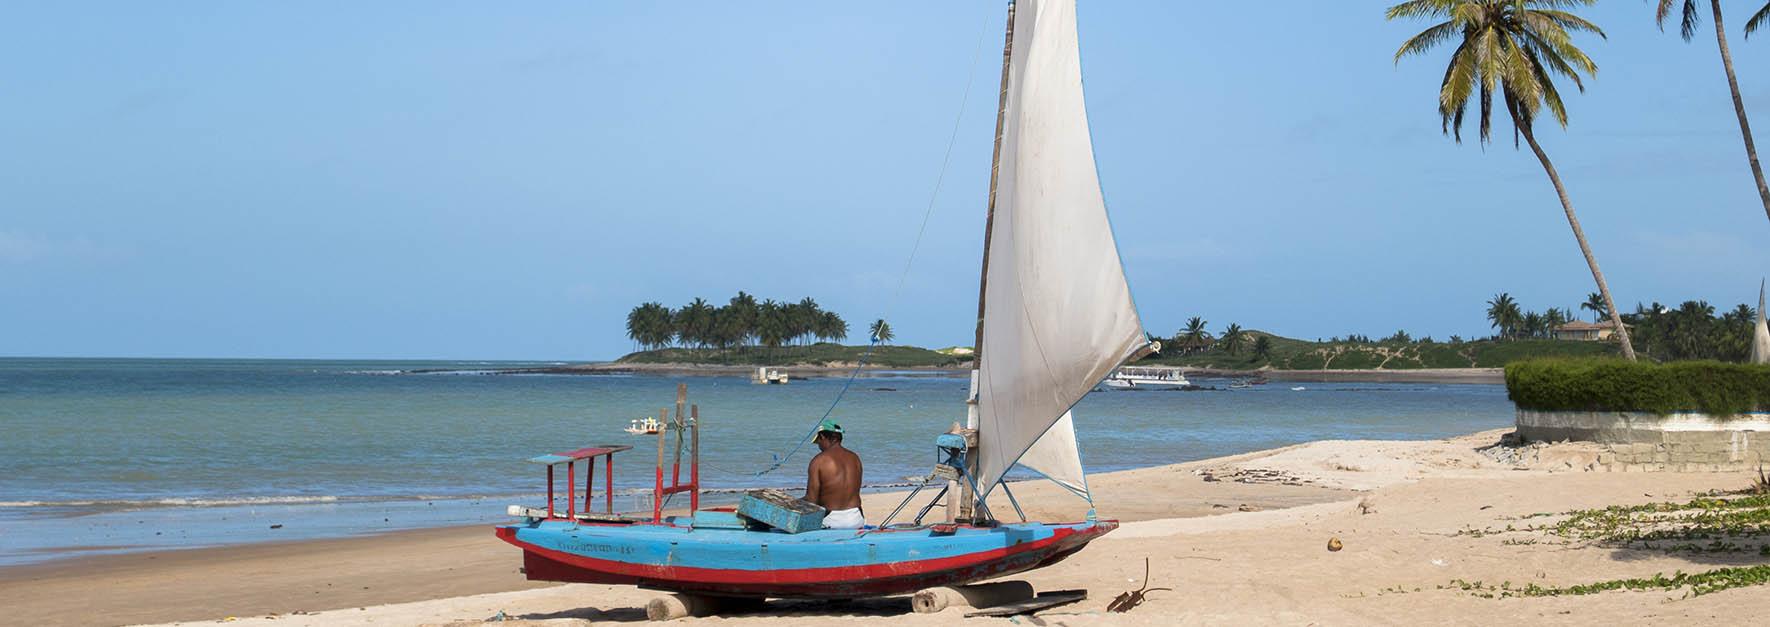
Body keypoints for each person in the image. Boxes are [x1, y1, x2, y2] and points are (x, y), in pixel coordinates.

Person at [805, 419, 864, 529]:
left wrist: (790, 502)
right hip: (857, 518)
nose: (819, 446)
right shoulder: (855, 458)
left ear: (822, 437)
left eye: (818, 442)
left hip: (832, 520)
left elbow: (811, 500)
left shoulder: (818, 461)